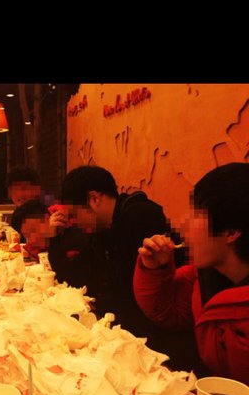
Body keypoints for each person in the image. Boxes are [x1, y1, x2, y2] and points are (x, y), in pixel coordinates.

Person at [56, 165, 199, 368]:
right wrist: (55, 239)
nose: (73, 222)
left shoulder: (140, 217)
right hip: (131, 334)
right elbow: (79, 279)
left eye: (74, 214)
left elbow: (133, 299)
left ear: (94, 199)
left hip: (162, 344)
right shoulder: (101, 230)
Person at [134, 162, 249, 383]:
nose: (182, 223)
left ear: (231, 231)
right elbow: (167, 312)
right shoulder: (202, 277)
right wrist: (155, 269)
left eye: (197, 214)